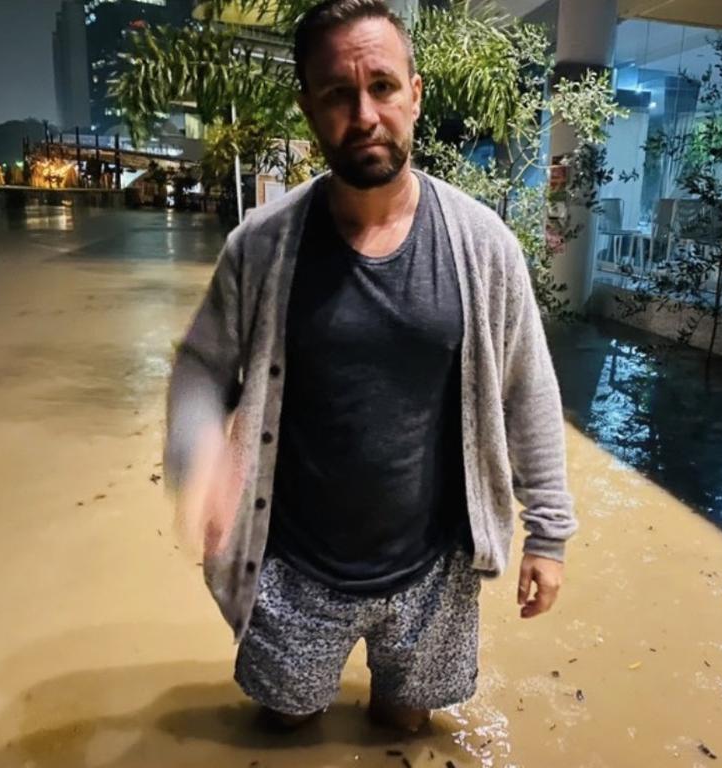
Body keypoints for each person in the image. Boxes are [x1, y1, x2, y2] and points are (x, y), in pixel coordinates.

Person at [164, 0, 576, 734]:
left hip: (433, 569)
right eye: (337, 94)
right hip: (290, 562)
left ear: (414, 95)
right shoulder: (261, 247)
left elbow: (527, 391)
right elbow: (201, 367)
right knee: (284, 726)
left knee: (404, 729)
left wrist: (548, 534)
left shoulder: (483, 248)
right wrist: (202, 462)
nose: (364, 114)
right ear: (309, 109)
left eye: (382, 86)